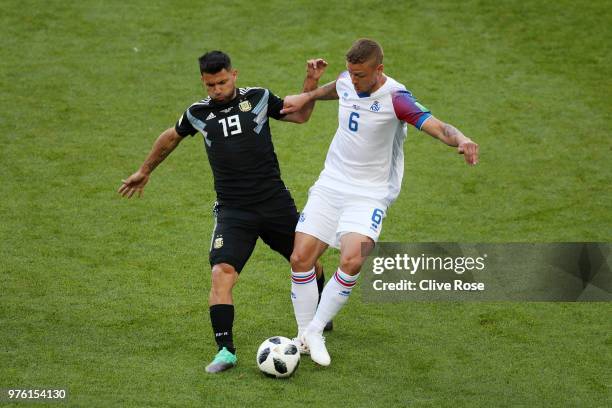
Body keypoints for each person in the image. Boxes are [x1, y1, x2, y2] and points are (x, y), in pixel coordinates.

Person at [118, 51, 330, 373]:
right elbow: (170, 137)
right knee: (221, 274)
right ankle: (225, 351)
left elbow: (299, 115)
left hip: (274, 203)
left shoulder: (257, 98)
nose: (216, 89)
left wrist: (311, 82)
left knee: (306, 260)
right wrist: (145, 170)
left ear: (234, 74)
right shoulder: (198, 113)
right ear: (203, 82)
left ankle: (319, 318)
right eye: (209, 84)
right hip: (234, 212)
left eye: (221, 81)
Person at [281, 39, 479, 366]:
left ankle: (315, 329)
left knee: (353, 260)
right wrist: (310, 91)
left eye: (361, 75)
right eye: (351, 73)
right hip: (331, 183)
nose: (354, 80)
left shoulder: (397, 99)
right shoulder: (347, 81)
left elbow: (439, 128)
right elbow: (337, 88)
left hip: (369, 193)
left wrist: (462, 139)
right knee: (300, 258)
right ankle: (304, 336)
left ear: (379, 70)